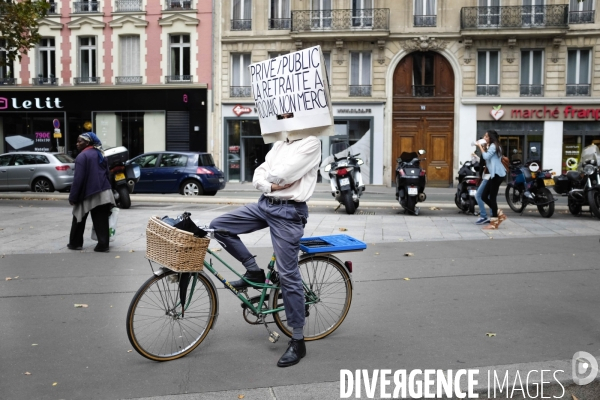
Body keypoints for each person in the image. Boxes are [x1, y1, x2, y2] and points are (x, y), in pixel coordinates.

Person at [209, 135, 321, 368]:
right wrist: (269, 184)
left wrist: (272, 177)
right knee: (219, 226)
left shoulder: (311, 142)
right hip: (265, 204)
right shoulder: (280, 144)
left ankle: (298, 340)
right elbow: (260, 175)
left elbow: (285, 174)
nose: (285, 118)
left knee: (288, 275)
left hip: (289, 212)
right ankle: (253, 271)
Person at [67, 132, 116, 252]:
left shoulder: (82, 157)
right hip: (104, 192)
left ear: (87, 143)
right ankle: (103, 245)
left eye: (80, 141)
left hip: (88, 192)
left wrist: (73, 197)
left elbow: (78, 179)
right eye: (77, 141)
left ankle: (75, 243)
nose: (77, 143)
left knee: (78, 216)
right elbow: (107, 174)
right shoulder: (101, 154)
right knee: (101, 220)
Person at [476, 129, 507, 230]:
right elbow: (488, 157)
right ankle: (499, 213)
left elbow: (485, 156)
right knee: (484, 196)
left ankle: (494, 222)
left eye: (486, 136)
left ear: (490, 138)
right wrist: (484, 146)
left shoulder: (494, 146)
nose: (484, 138)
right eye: (484, 136)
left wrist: (480, 146)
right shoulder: (494, 146)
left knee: (492, 197)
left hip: (497, 174)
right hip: (495, 175)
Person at [472, 138, 490, 225]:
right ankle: (493, 215)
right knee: (489, 197)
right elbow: (485, 162)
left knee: (478, 195)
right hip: (488, 176)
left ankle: (484, 216)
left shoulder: (489, 150)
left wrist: (479, 146)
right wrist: (476, 157)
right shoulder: (488, 151)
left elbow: (484, 162)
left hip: (488, 177)